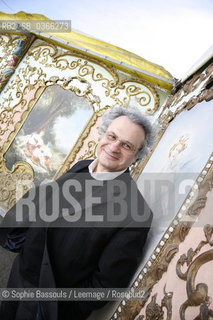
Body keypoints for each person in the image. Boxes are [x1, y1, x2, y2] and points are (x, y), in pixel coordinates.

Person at [0, 106, 154, 320]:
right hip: (20, 276)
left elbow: (106, 285)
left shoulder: (136, 212)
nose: (114, 147)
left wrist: (61, 307)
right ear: (103, 134)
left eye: (126, 145)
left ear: (137, 155)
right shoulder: (82, 167)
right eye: (112, 136)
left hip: (50, 308)